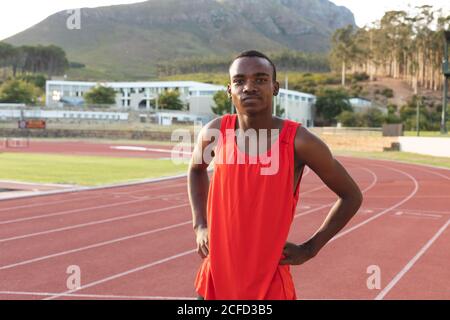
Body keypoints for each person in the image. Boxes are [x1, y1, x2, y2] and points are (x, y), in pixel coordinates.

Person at [187, 50, 363, 300]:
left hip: (269, 285)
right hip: (216, 279)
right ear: (229, 90)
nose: (249, 87)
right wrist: (200, 225)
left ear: (275, 86)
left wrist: (311, 248)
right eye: (239, 81)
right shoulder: (215, 132)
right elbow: (195, 170)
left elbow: (351, 196)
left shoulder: (299, 142)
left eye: (260, 79)